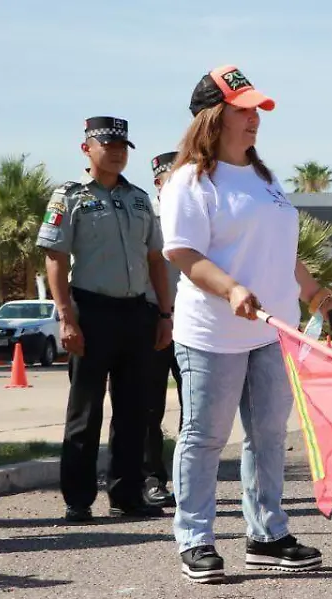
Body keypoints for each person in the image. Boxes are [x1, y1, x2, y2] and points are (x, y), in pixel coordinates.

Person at [160, 65, 332, 582]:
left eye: (256, 111)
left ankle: (267, 534)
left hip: (274, 330)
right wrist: (230, 288)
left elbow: (284, 250)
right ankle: (195, 538)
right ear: (213, 117)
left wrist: (314, 294)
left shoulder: (265, 181)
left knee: (267, 435)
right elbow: (182, 252)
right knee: (204, 436)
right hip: (212, 333)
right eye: (244, 111)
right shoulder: (190, 181)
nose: (254, 120)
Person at [37, 116, 172, 523]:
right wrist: (66, 318)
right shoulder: (70, 196)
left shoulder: (138, 198)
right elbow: (55, 258)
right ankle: (78, 499)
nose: (116, 152)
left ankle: (126, 495)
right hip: (90, 311)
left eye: (122, 147)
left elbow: (155, 260)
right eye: (107, 145)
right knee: (85, 411)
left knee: (135, 410)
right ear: (87, 149)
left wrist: (164, 314)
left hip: (137, 313)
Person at [143, 151, 183, 508]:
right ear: (159, 182)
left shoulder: (201, 213)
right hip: (154, 324)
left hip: (196, 326)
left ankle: (186, 479)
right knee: (149, 408)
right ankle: (152, 478)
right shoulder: (146, 219)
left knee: (198, 410)